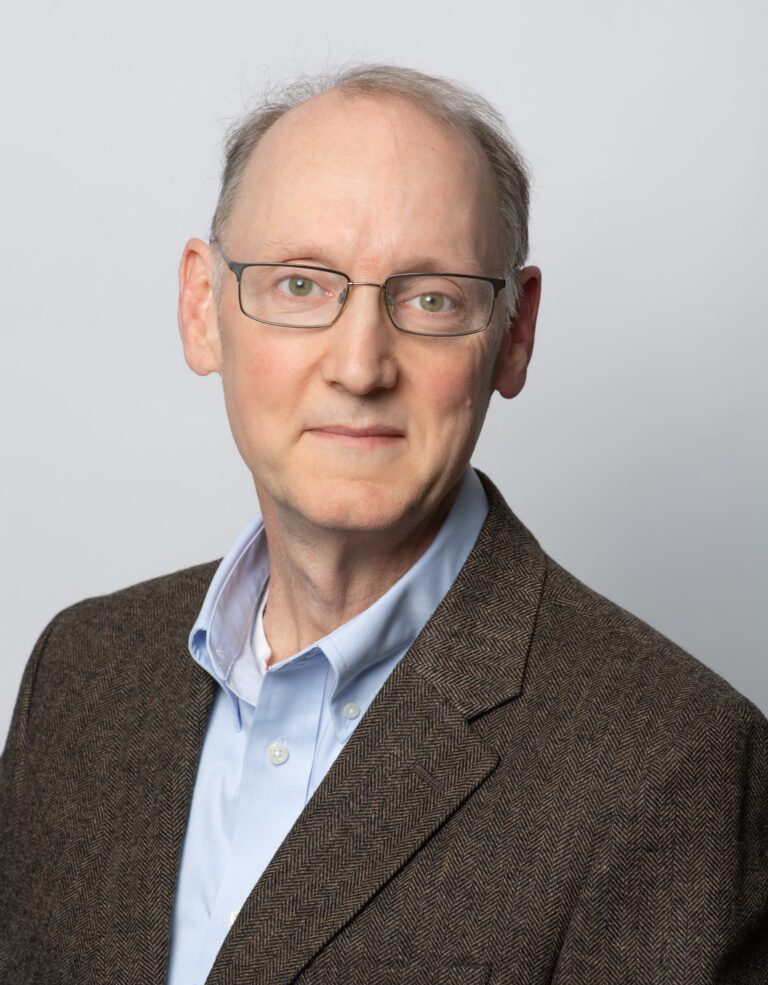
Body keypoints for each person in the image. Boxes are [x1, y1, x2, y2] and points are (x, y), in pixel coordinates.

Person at [1, 64, 766, 985]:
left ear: (513, 334)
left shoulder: (676, 766)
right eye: (298, 284)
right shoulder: (81, 673)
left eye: (432, 298)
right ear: (204, 308)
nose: (360, 365)